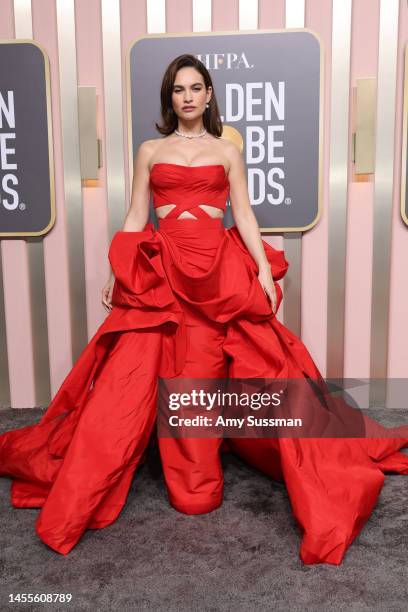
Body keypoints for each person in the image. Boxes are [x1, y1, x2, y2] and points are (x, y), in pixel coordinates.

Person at [0, 54, 407, 565]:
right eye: (178, 89)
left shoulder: (227, 152)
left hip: (217, 271)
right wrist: (115, 271)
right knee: (141, 378)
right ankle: (176, 475)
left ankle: (209, 469)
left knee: (217, 371)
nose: (187, 97)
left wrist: (260, 267)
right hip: (165, 269)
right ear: (169, 98)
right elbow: (134, 214)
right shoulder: (151, 149)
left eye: (196, 88)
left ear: (209, 95)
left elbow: (245, 212)